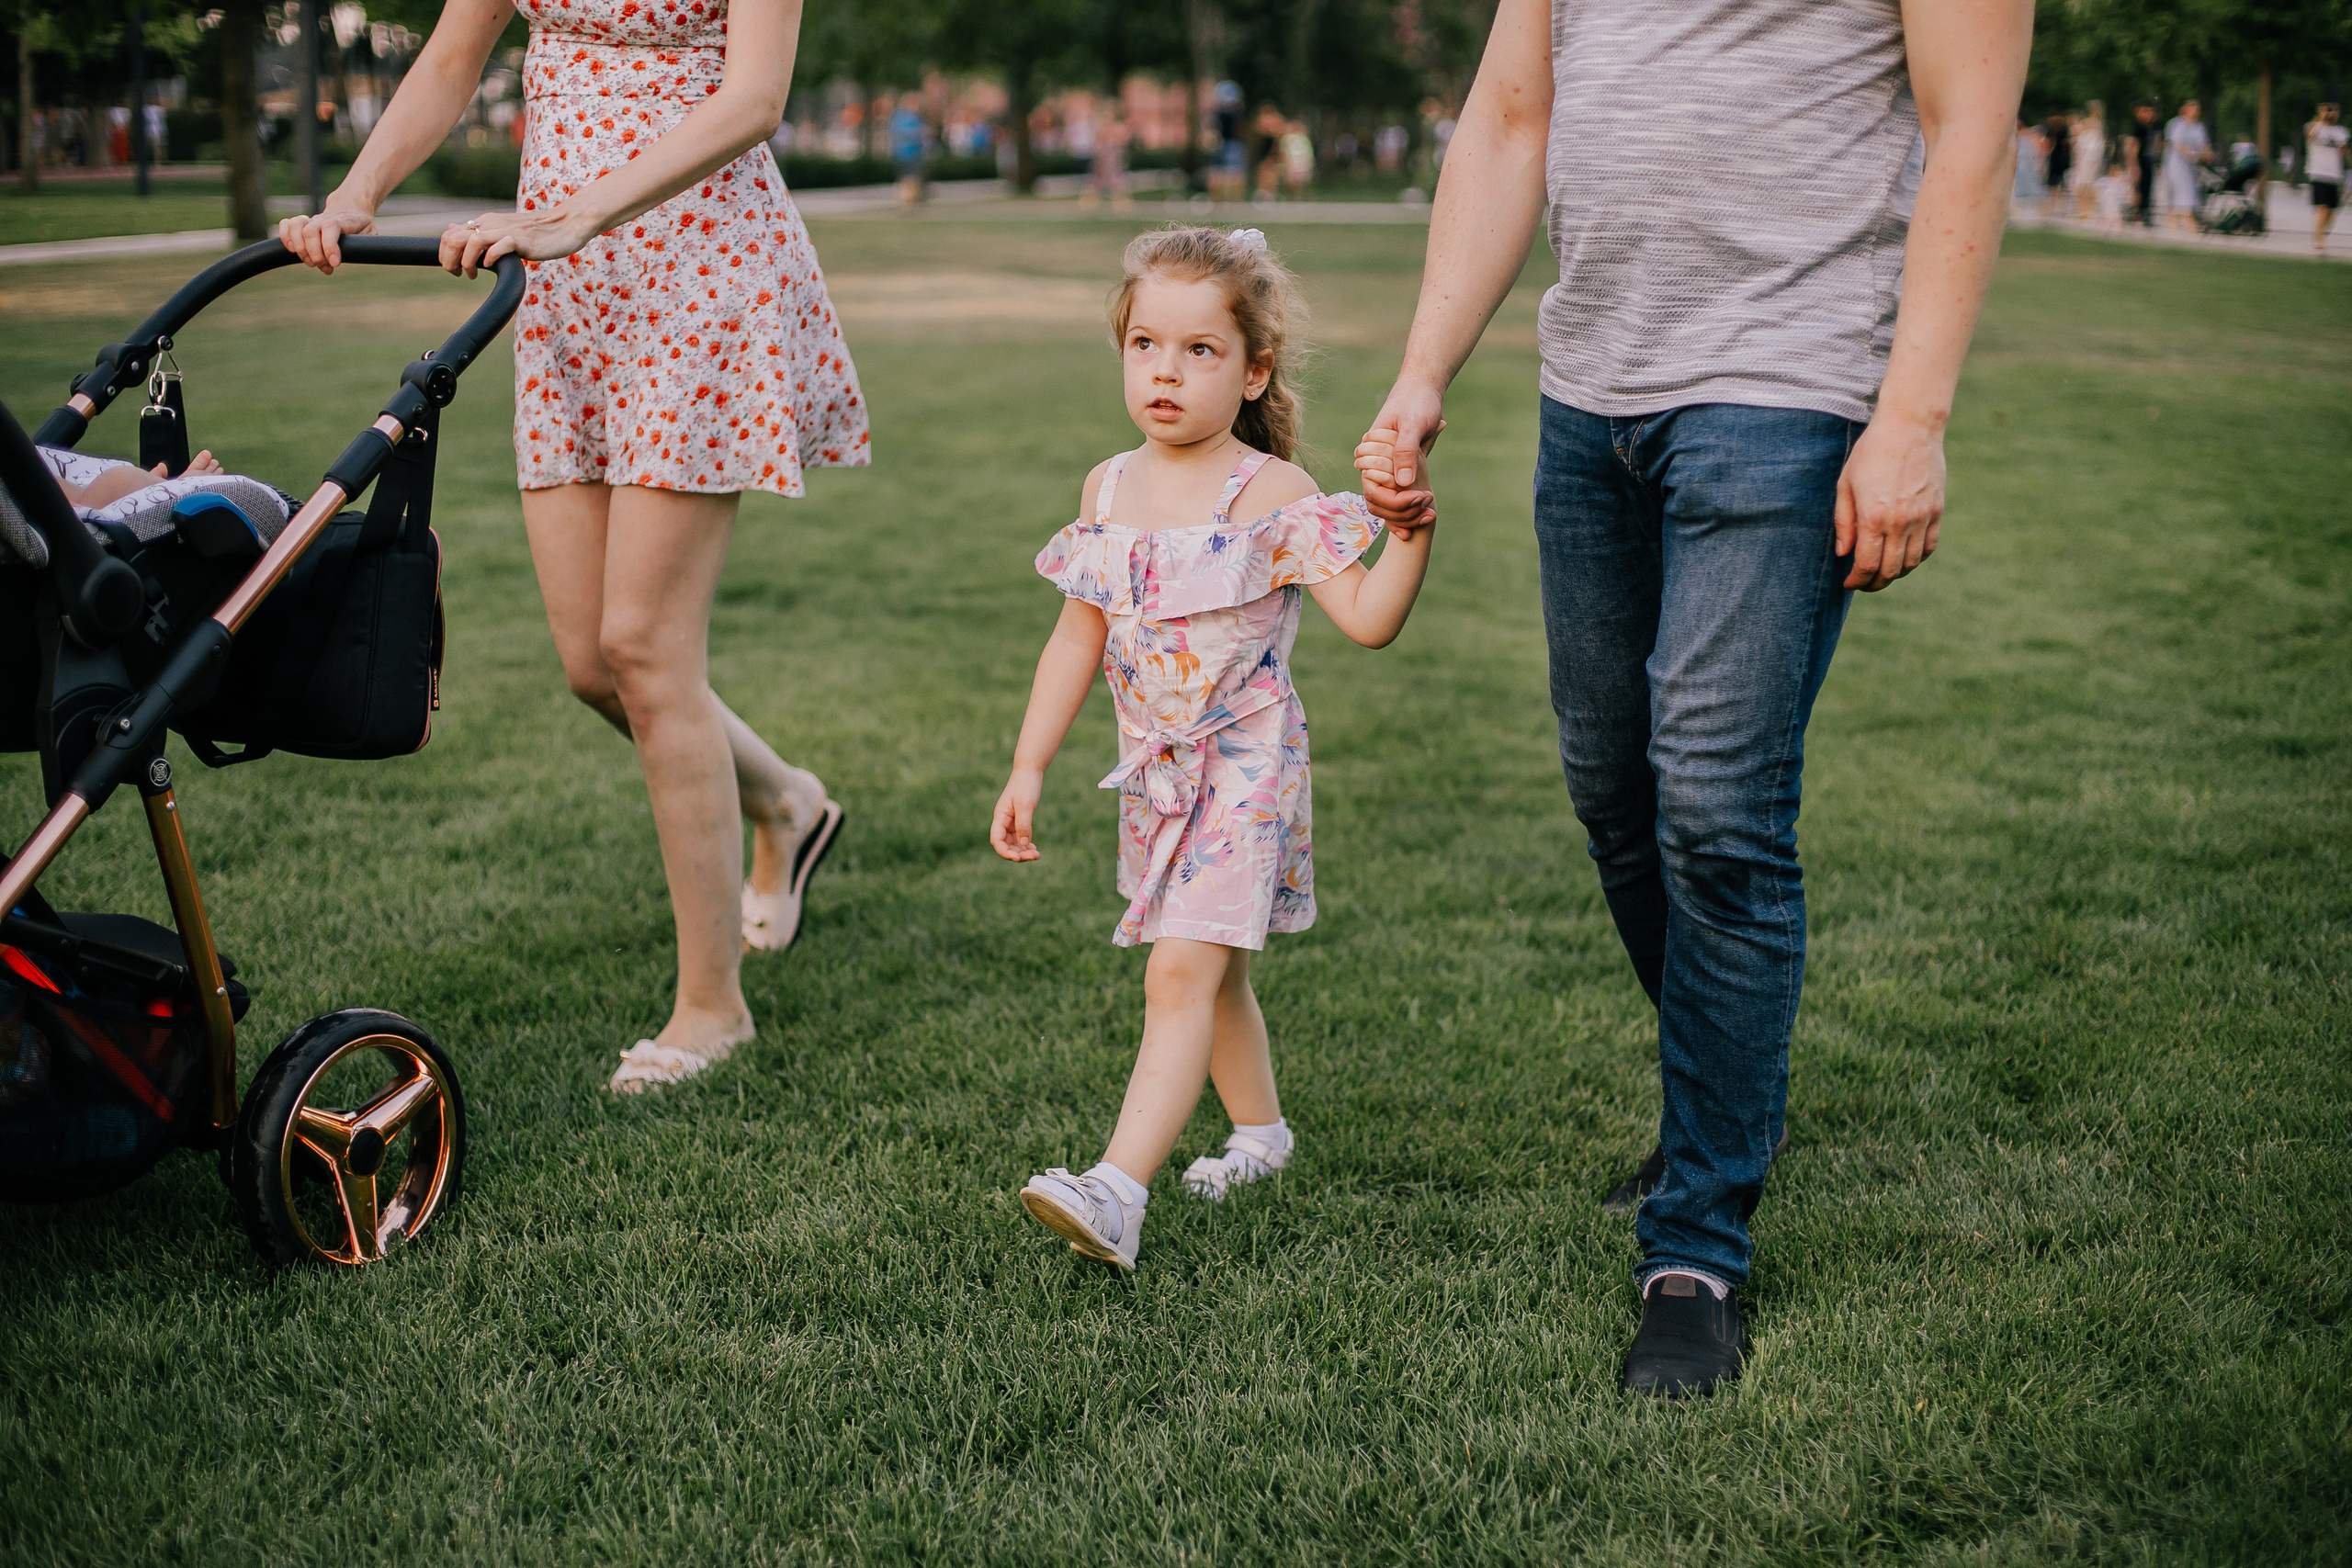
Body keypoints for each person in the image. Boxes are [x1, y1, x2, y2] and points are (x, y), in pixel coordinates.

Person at [1354, 0, 2031, 1396]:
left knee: (1718, 808)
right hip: (1590, 394)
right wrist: (1423, 374)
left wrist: (1912, 416)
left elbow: (1971, 130)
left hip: (1785, 390)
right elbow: (1509, 117)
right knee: (1615, 786)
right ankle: (1726, 1108)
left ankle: (1697, 1245)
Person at [276, 0, 864, 1093]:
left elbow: (755, 98)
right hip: (568, 284)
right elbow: (452, 57)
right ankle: (788, 802)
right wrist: (356, 197)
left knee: (645, 649)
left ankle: (712, 1008)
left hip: (699, 271)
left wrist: (572, 216)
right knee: (594, 665)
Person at [992, 227, 1434, 1271]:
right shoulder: (1105, 491)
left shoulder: (1270, 495)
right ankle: (1261, 1136)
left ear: (1252, 372)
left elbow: (1367, 619)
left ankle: (1117, 1191)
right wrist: (1027, 766)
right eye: (1146, 343)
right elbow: (1076, 636)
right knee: (1212, 970)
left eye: (1200, 351)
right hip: (1156, 775)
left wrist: (1410, 535)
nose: (1165, 370)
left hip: (1243, 771)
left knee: (1180, 974)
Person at [2163, 98, 2211, 231]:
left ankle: (2176, 218)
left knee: (2188, 191)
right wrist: (2191, 154)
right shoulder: (2176, 124)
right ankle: (2188, 220)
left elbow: (2204, 145)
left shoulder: (2199, 127)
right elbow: (2177, 144)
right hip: (2176, 165)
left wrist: (2206, 153)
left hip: (2191, 168)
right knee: (2181, 191)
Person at [2307, 102, 2346, 255]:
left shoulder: (2341, 132)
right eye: (2328, 109)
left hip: (2334, 175)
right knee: (2322, 207)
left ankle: (2320, 232)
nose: (2331, 113)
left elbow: (2345, 152)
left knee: (2332, 210)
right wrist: (2321, 119)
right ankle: (2320, 239)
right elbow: (2310, 137)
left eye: (2334, 110)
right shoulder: (2313, 127)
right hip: (2318, 173)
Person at [888, 96, 928, 209]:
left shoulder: (915, 117)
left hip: (913, 153)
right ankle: (908, 200)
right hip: (904, 152)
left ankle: (911, 199)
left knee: (912, 177)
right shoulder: (901, 118)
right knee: (908, 177)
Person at [2126, 102, 2162, 225]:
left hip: (2149, 160)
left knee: (2148, 187)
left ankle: (2144, 212)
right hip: (2140, 161)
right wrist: (2134, 165)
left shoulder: (2154, 127)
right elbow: (2134, 147)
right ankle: (2137, 212)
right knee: (2138, 187)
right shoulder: (2138, 127)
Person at [2071, 102, 2106, 220]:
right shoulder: (2085, 126)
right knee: (2081, 185)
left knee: (2089, 185)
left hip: (2091, 160)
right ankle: (2083, 209)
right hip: (2083, 159)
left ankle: (2089, 210)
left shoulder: (2097, 128)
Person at [2042, 114, 2072, 215]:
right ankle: (2059, 206)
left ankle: (2054, 206)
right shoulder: (2062, 131)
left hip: (2057, 159)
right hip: (2060, 159)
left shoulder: (2056, 131)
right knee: (2058, 183)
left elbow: (2049, 144)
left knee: (2055, 184)